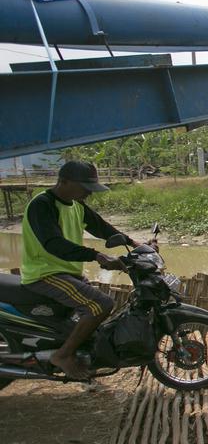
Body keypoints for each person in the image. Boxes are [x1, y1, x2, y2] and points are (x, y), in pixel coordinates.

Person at [20, 161, 135, 379]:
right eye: (84, 187)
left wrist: (134, 243)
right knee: (101, 304)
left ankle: (81, 352)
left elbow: (101, 227)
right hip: (45, 274)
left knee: (92, 312)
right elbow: (53, 243)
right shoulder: (42, 205)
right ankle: (63, 355)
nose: (88, 193)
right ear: (63, 181)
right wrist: (96, 255)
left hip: (66, 272)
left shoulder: (76, 204)